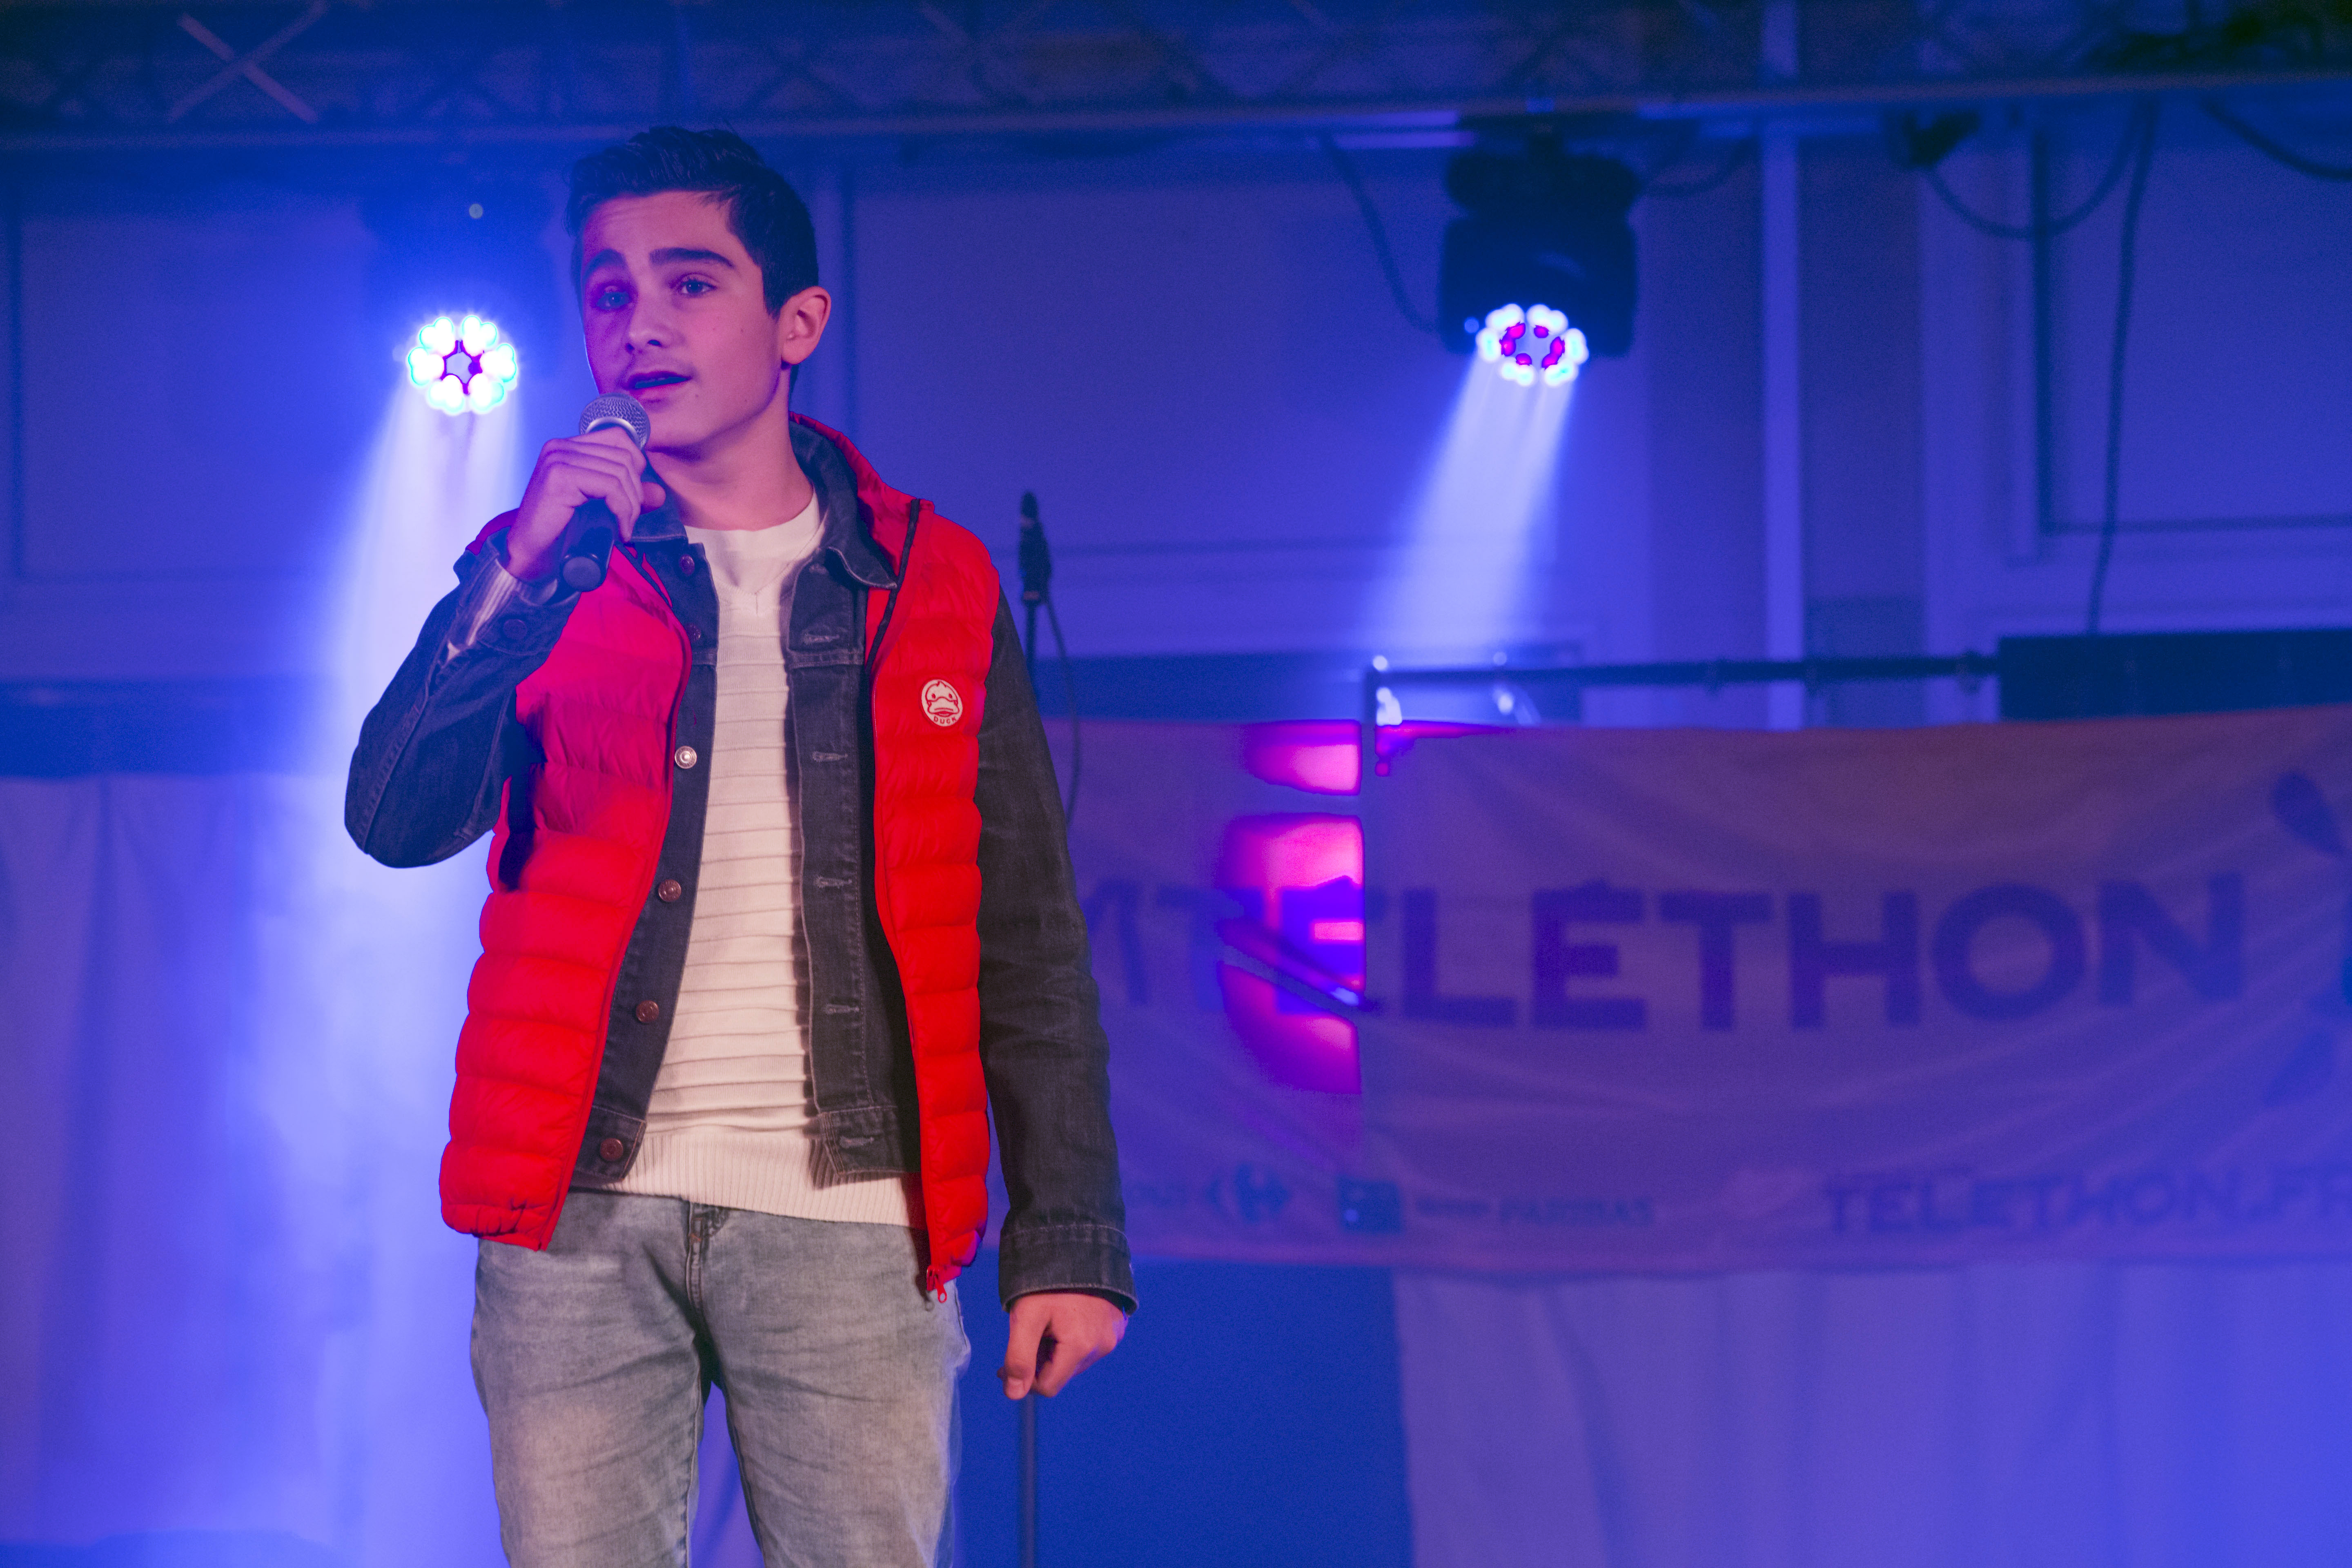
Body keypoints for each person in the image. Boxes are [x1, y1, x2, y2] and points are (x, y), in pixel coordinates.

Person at [346, 126, 1132, 1567]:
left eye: (690, 282)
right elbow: (395, 820)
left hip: (854, 1218)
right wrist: (521, 571)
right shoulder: (547, 563)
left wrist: (1068, 1239)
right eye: (609, 291)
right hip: (575, 1217)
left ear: (798, 323)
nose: (640, 322)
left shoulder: (932, 580)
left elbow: (1025, 932)